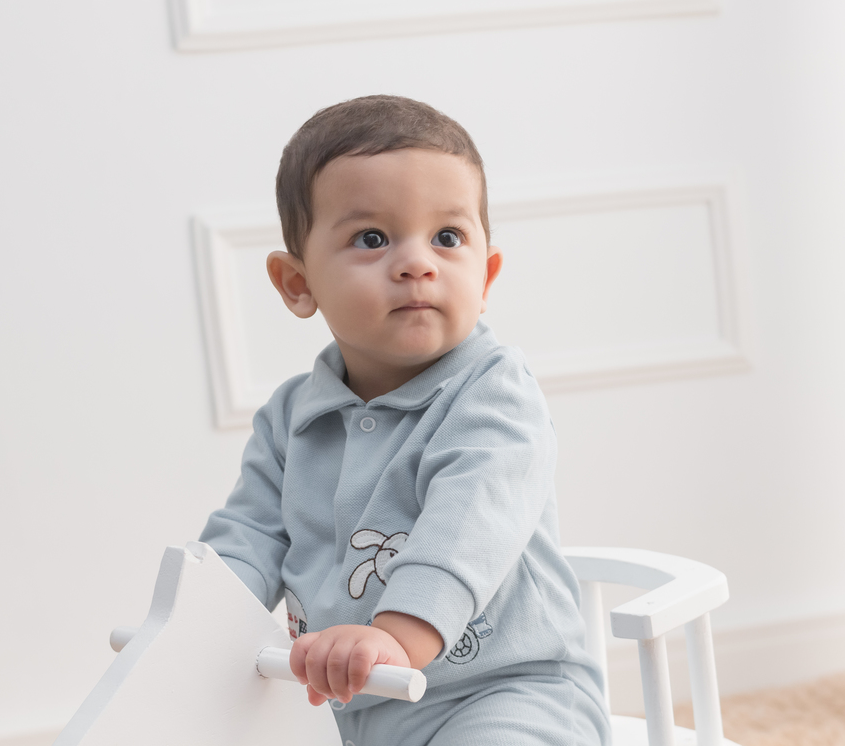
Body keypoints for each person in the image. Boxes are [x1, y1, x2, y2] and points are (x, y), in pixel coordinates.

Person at [200, 95, 611, 746]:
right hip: (347, 705)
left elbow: (467, 530)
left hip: (507, 693)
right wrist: (197, 616)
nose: (418, 262)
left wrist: (394, 637)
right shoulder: (291, 419)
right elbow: (248, 534)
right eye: (372, 238)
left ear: (486, 273)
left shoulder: (494, 394)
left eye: (448, 238)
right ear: (296, 283)